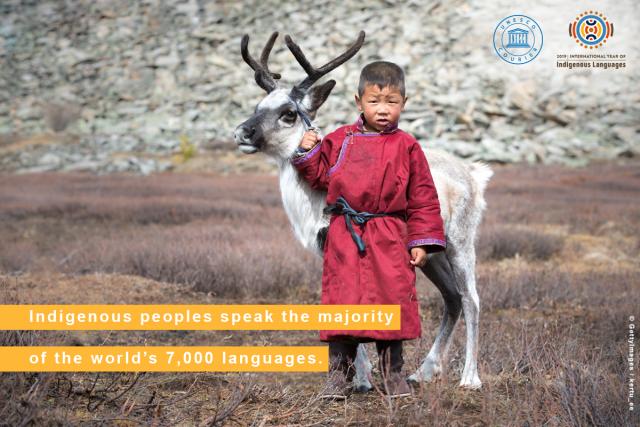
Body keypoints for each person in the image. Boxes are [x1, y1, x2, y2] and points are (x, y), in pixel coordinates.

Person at [291, 61, 446, 399]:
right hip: (346, 236)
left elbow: (422, 198)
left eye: (391, 102)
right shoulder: (339, 140)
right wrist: (307, 151)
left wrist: (420, 242)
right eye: (375, 101)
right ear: (358, 101)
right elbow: (318, 176)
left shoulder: (407, 146)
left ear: (404, 102)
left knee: (390, 302)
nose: (383, 110)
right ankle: (339, 378)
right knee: (343, 303)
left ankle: (392, 376)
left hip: (390, 235)